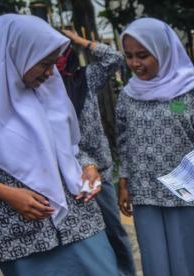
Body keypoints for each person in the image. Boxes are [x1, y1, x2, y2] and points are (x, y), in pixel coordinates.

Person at [0, 14, 118, 275]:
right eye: (44, 64)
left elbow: (70, 147)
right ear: (17, 54)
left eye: (53, 64)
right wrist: (6, 193)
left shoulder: (49, 91)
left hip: (79, 222)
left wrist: (88, 165)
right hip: (23, 235)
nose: (51, 72)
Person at [116, 18, 194, 276]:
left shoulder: (192, 90)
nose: (135, 64)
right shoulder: (128, 94)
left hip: (191, 189)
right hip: (146, 191)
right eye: (129, 56)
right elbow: (123, 141)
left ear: (164, 51)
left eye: (143, 55)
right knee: (157, 261)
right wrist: (124, 181)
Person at [57, 30, 136, 276]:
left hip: (97, 172)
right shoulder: (38, 87)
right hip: (63, 176)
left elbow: (115, 58)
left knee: (113, 229)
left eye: (60, 50)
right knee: (85, 240)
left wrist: (82, 42)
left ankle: (126, 272)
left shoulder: (85, 78)